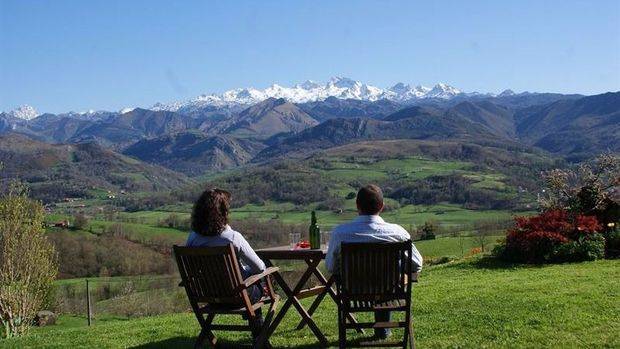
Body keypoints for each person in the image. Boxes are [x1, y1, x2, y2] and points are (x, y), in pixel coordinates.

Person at [325, 184, 423, 339]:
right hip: (388, 292)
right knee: (389, 277)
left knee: (382, 277)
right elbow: (417, 264)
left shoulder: (340, 233)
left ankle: (381, 330)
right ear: (382, 206)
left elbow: (330, 266)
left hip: (354, 292)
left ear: (357, 205)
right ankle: (383, 330)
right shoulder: (398, 232)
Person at [185, 188, 266, 340]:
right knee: (258, 281)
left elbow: (192, 273)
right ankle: (258, 336)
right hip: (238, 297)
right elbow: (260, 268)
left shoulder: (192, 238)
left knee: (249, 279)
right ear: (223, 212)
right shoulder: (232, 237)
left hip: (209, 296)